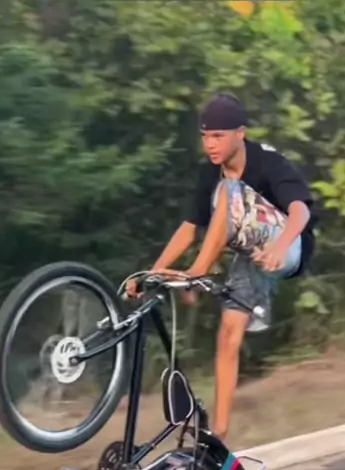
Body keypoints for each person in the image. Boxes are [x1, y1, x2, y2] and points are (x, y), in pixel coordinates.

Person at [126, 93, 316, 442]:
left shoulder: (267, 161)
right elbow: (190, 227)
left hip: (290, 245)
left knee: (228, 190)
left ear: (240, 133)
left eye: (218, 136)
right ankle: (218, 434)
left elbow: (301, 211)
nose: (210, 145)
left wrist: (279, 246)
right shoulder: (209, 172)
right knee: (228, 333)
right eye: (205, 137)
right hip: (252, 258)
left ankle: (196, 274)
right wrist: (154, 271)